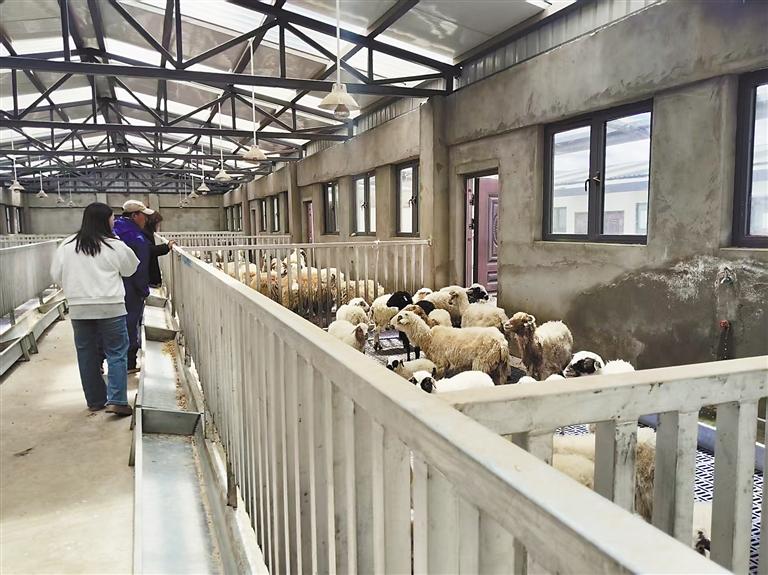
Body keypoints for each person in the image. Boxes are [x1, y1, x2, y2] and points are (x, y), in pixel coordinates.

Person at [51, 202, 139, 415]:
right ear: (106, 220)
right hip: (111, 305)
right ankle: (117, 400)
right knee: (116, 351)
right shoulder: (114, 245)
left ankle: (95, 400)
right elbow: (130, 269)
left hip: (79, 307)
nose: (114, 221)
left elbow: (56, 275)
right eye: (112, 218)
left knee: (86, 353)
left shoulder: (67, 244)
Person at [113, 200, 153, 373]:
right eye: (144, 215)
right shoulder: (137, 238)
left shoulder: (111, 233)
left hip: (109, 287)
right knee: (129, 323)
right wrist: (143, 290)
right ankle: (129, 361)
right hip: (130, 289)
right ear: (135, 215)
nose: (146, 219)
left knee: (107, 325)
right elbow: (140, 269)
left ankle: (100, 360)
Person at [142, 212, 175, 288]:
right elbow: (150, 250)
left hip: (148, 274)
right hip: (149, 275)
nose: (158, 226)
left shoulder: (146, 232)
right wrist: (167, 247)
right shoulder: (145, 233)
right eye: (158, 223)